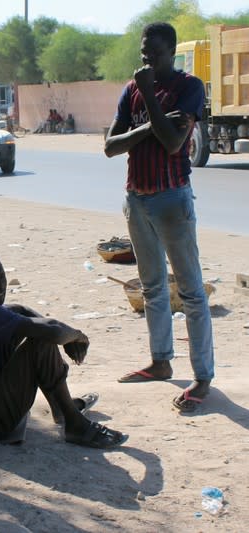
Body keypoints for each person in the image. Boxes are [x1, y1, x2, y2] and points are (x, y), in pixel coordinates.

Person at [104, 22, 213, 413]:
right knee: (151, 288)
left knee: (190, 293)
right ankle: (161, 361)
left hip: (172, 199)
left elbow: (172, 143)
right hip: (137, 200)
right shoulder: (129, 91)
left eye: (155, 53)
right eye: (143, 52)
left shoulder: (189, 87)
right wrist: (151, 124)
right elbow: (110, 147)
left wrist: (149, 96)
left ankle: (202, 377)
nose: (147, 59)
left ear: (171, 54)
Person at [0, 251, 129, 448]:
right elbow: (51, 330)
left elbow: (20, 309)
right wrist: (78, 336)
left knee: (40, 334)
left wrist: (62, 335)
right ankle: (74, 422)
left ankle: (62, 407)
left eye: (1, 277)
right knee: (42, 342)